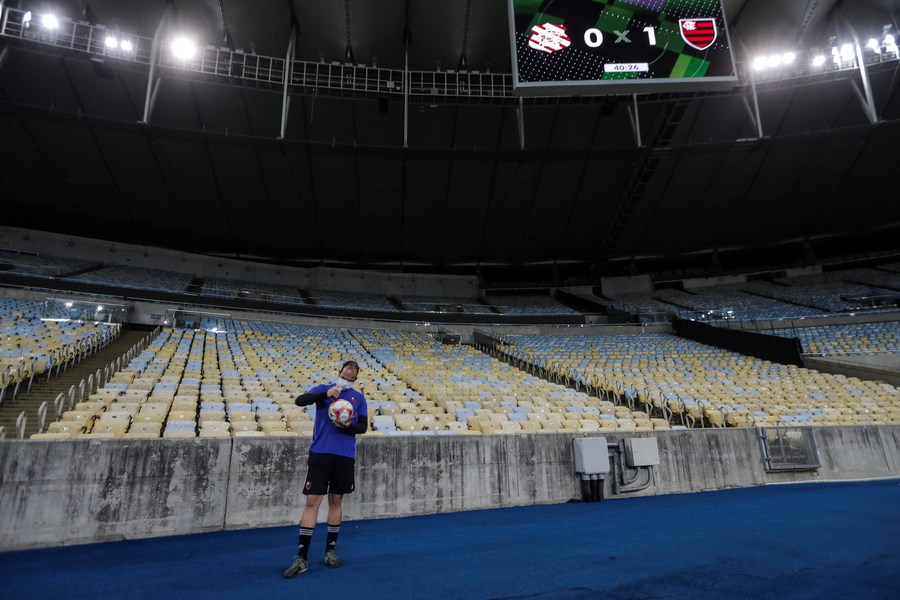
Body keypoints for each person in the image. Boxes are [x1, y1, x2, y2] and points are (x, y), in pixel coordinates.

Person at [283, 360, 369, 578]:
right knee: (312, 501)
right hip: (320, 453)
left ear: (356, 378)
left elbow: (363, 427)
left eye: (352, 375)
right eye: (345, 373)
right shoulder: (323, 389)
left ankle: (330, 550)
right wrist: (325, 394)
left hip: (345, 455)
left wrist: (348, 426)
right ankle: (302, 556)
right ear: (339, 372)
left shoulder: (358, 398)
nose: (348, 376)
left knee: (336, 501)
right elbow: (300, 400)